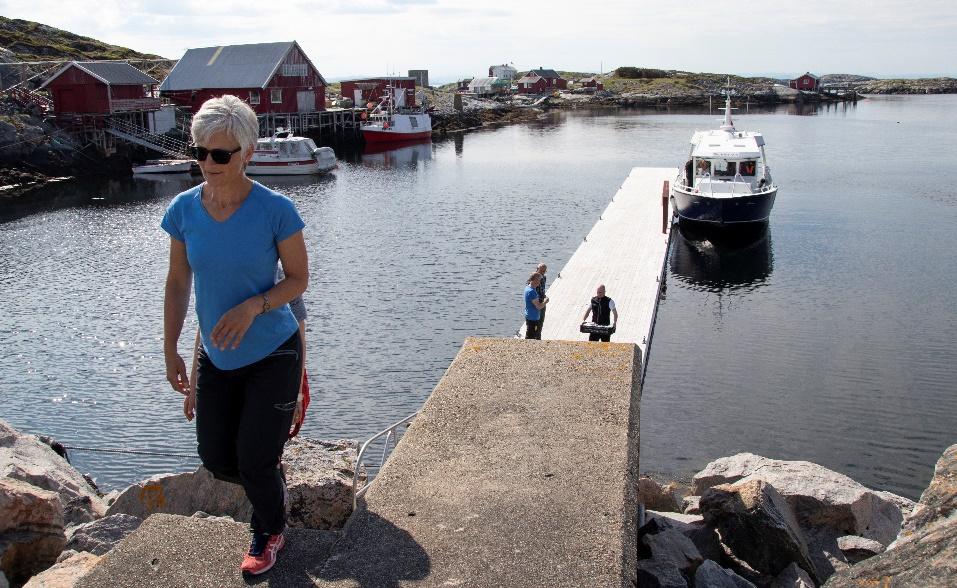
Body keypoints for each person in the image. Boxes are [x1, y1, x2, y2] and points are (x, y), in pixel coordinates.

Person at [162, 95, 308, 576]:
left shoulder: (276, 209)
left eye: (220, 154)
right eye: (200, 152)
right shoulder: (184, 210)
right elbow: (181, 282)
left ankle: (269, 530)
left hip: (272, 352)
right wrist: (174, 350)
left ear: (247, 153)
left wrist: (253, 306)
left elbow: (297, 280)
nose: (207, 163)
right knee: (217, 459)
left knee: (254, 462)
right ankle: (269, 478)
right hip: (216, 357)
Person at [524, 272, 547, 340]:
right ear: (533, 280)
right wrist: (545, 301)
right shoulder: (532, 292)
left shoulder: (528, 288)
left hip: (529, 315)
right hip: (533, 317)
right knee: (531, 336)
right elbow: (539, 307)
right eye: (538, 280)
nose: (539, 282)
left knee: (530, 333)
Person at [534, 263, 548, 333]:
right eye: (541, 271)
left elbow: (542, 290)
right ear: (537, 269)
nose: (542, 273)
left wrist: (544, 297)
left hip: (542, 303)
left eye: (544, 271)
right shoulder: (533, 280)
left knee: (540, 324)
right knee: (535, 326)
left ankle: (538, 339)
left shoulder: (544, 278)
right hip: (536, 305)